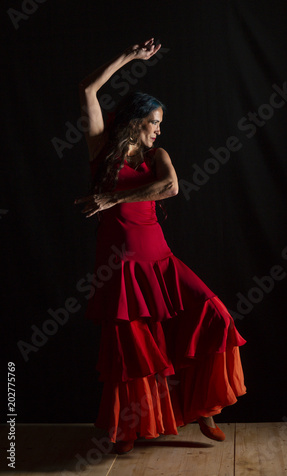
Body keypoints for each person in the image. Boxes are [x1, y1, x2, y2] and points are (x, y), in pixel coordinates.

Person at [75, 38, 246, 455]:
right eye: (154, 122)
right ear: (135, 122)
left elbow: (169, 187)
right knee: (133, 350)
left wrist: (112, 199)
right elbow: (86, 92)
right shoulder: (101, 151)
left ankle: (204, 405)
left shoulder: (159, 157)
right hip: (121, 266)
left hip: (161, 261)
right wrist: (129, 58)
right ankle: (128, 430)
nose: (158, 129)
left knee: (215, 315)